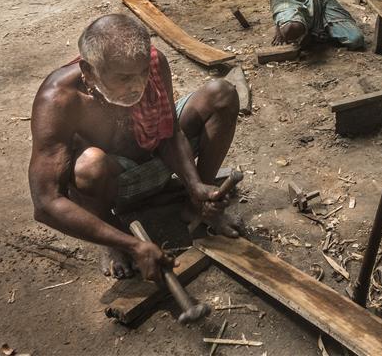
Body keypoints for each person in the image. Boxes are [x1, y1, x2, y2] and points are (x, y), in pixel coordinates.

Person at [28, 14, 241, 281]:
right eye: (124, 78)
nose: (137, 85)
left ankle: (197, 204)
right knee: (89, 166)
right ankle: (111, 232)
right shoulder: (59, 100)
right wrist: (132, 245)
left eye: (142, 73)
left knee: (221, 94)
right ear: (89, 72)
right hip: (114, 179)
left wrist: (195, 185)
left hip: (154, 154)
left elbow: (171, 132)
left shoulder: (154, 62)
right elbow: (46, 202)